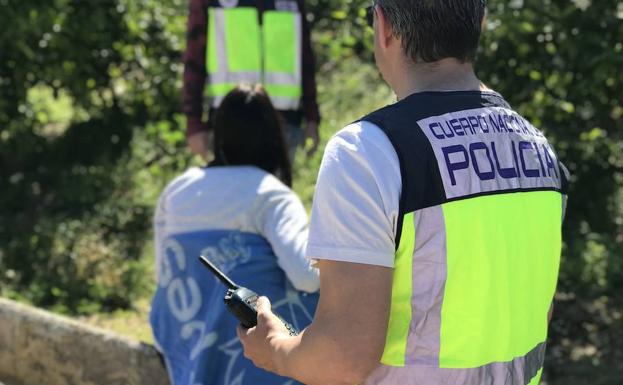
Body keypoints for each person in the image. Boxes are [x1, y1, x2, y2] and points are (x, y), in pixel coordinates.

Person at [238, 1, 570, 384]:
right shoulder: (538, 149)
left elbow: (340, 358)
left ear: (383, 26)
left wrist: (275, 347)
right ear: (481, 23)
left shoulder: (365, 153)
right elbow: (536, 312)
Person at [150, 84, 319, 385]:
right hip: (250, 355)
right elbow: (306, 277)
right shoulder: (271, 195)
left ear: (219, 135)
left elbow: (163, 273)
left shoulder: (178, 190)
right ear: (273, 139)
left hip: (186, 344)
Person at [183, 0, 321, 163]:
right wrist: (194, 123)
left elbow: (304, 57)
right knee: (234, 187)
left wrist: (312, 116)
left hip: (284, 123)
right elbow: (194, 59)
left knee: (276, 188)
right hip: (229, 122)